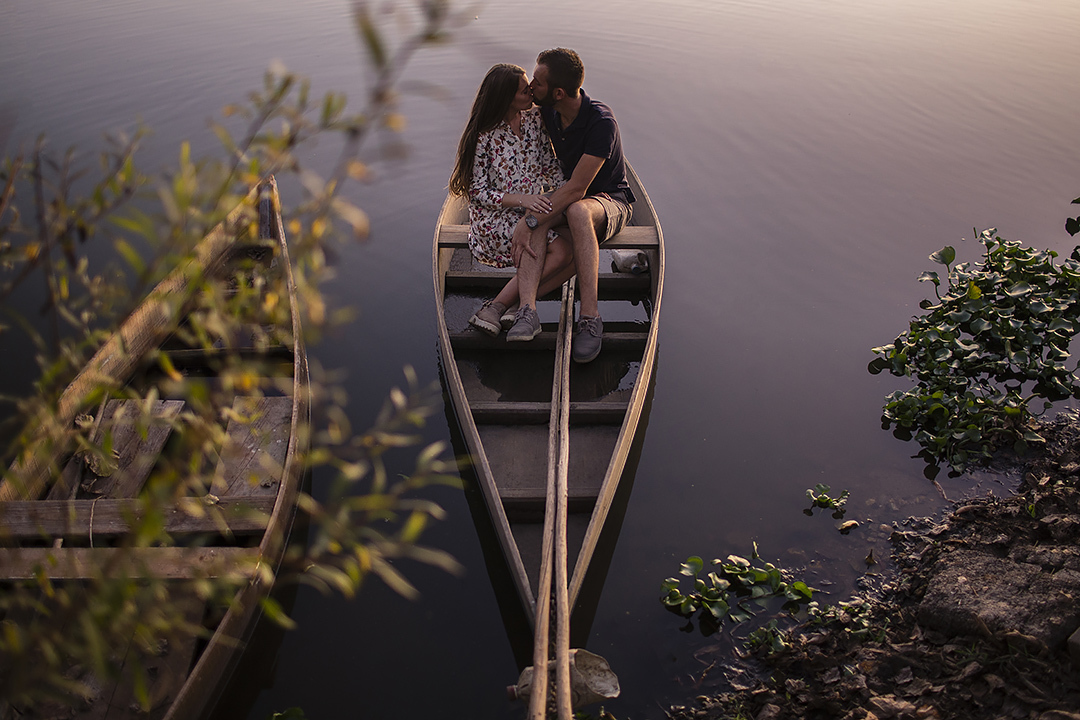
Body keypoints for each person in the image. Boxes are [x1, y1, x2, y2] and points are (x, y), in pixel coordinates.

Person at [506, 48, 634, 363]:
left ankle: (590, 318)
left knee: (570, 210)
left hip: (609, 201)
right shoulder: (549, 112)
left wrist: (529, 221)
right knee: (540, 208)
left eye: (537, 82)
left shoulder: (601, 122)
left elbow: (577, 189)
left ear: (558, 93)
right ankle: (527, 312)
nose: (531, 86)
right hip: (571, 196)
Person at [448, 64, 578, 337]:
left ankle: (508, 307)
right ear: (506, 97)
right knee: (563, 251)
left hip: (528, 210)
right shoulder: (484, 135)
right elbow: (478, 193)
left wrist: (571, 190)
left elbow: (547, 164)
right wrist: (524, 199)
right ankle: (499, 306)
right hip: (493, 220)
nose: (531, 91)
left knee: (574, 246)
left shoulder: (534, 120)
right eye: (523, 90)